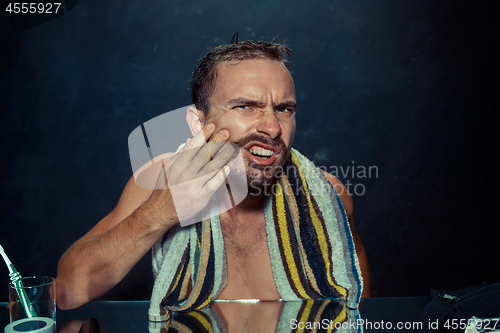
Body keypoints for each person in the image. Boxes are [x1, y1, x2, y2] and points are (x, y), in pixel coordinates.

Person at [55, 40, 371, 315]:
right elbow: (68, 292)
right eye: (246, 106)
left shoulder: (328, 197)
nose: (272, 128)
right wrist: (163, 210)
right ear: (198, 123)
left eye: (284, 109)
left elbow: (358, 298)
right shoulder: (160, 181)